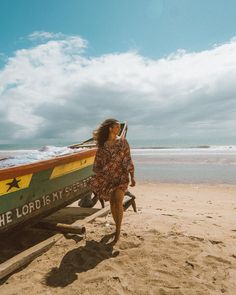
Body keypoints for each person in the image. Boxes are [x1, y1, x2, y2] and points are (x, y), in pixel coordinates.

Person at [90, 118, 135, 243]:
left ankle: (118, 230)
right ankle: (117, 227)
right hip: (109, 178)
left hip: (121, 177)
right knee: (112, 203)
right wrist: (100, 176)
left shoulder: (123, 143)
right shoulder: (102, 147)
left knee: (118, 202)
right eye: (116, 126)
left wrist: (132, 176)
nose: (119, 129)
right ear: (110, 129)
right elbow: (97, 165)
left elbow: (127, 159)